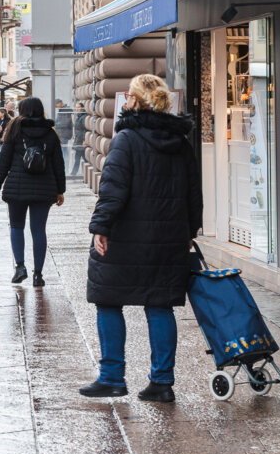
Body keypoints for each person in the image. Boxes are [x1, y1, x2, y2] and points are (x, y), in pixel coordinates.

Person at [80, 74, 202, 403]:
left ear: (133, 100)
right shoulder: (180, 141)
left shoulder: (127, 138)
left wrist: (100, 227)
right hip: (169, 237)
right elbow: (194, 190)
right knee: (160, 305)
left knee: (107, 300)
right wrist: (191, 230)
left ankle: (112, 377)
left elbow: (113, 189)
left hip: (126, 236)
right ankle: (161, 383)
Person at [0, 97, 66, 287]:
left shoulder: (14, 129)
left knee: (16, 226)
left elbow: (3, 161)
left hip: (17, 188)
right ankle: (38, 275)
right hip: (44, 188)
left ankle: (20, 267)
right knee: (39, 230)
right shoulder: (50, 133)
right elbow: (59, 165)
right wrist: (60, 190)